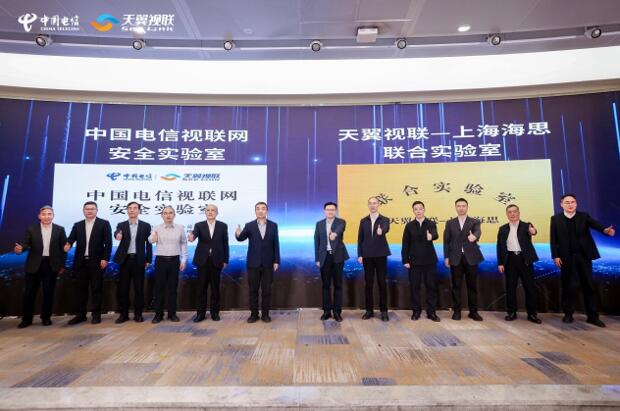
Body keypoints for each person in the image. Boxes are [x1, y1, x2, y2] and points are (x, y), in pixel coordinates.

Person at [550, 193, 615, 327]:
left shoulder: (584, 216)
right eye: (567, 202)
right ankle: (568, 314)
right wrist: (555, 256)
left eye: (572, 202)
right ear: (561, 204)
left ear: (576, 203)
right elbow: (553, 239)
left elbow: (596, 225)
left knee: (588, 286)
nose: (570, 205)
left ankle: (592, 316)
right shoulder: (555, 219)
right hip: (565, 258)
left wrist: (605, 230)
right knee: (568, 287)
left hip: (583, 256)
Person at [14, 205, 67, 328]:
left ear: (53, 216)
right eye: (44, 214)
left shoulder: (60, 229)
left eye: (49, 214)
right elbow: (26, 244)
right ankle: (27, 319)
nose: (46, 216)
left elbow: (63, 249)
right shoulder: (32, 229)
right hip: (34, 265)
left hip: (51, 265)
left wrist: (62, 265)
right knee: (29, 293)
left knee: (48, 292)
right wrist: (20, 249)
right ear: (39, 216)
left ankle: (46, 317)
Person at [64, 201, 112, 325]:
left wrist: (105, 258)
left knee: (96, 289)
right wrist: (68, 244)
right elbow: (71, 239)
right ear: (83, 211)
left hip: (97, 262)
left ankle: (96, 315)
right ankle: (81, 315)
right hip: (80, 263)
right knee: (80, 290)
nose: (89, 211)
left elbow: (108, 243)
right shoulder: (78, 225)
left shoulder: (104, 224)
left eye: (92, 209)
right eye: (87, 209)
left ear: (97, 210)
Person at [235, 201, 280, 323]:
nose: (260, 211)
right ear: (255, 211)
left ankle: (265, 315)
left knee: (267, 291)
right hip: (253, 263)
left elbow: (276, 244)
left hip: (268, 263)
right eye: (258, 209)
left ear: (267, 211)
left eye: (263, 208)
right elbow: (241, 238)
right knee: (253, 290)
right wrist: (237, 233)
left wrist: (276, 261)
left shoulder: (273, 225)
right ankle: (254, 314)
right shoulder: (249, 225)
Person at [496, 204, 541, 324]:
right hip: (510, 259)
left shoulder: (526, 226)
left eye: (514, 211)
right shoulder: (503, 228)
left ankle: (532, 314)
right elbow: (500, 246)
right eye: (509, 212)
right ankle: (511, 312)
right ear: (507, 214)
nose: (512, 214)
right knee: (510, 287)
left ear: (518, 212)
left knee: (529, 287)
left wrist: (533, 231)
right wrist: (500, 263)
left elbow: (533, 232)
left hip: (524, 259)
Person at [443, 198, 484, 321]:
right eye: (459, 206)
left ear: (467, 207)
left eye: (463, 206)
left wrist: (474, 236)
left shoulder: (474, 221)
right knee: (456, 286)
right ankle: (457, 312)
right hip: (455, 258)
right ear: (455, 207)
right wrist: (446, 257)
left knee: (472, 286)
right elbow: (446, 241)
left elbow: (478, 231)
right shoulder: (450, 223)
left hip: (471, 257)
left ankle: (473, 312)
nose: (461, 208)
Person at [188, 204, 229, 322]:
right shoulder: (199, 225)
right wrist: (191, 237)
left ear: (217, 213)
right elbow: (194, 235)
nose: (210, 212)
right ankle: (200, 314)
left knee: (215, 289)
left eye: (213, 210)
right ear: (205, 213)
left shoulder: (223, 226)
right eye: (208, 210)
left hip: (217, 260)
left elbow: (225, 243)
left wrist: (225, 260)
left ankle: (215, 313)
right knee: (201, 288)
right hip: (202, 261)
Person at [112, 201, 152, 324]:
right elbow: (117, 233)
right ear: (127, 210)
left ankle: (138, 314)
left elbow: (148, 244)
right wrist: (117, 235)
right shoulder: (121, 225)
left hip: (139, 260)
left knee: (139, 288)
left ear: (139, 210)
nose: (132, 210)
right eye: (129, 208)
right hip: (125, 260)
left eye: (135, 208)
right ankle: (123, 314)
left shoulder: (146, 226)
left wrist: (148, 259)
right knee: (123, 288)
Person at [401, 201, 440, 322]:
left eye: (420, 208)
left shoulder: (431, 223)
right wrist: (405, 259)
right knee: (415, 287)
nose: (418, 211)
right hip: (414, 262)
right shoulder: (409, 226)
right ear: (413, 211)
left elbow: (435, 234)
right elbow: (405, 243)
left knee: (431, 287)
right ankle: (416, 311)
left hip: (429, 261)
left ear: (424, 210)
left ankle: (431, 312)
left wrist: (431, 236)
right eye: (416, 209)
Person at [148, 206, 188, 323]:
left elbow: (183, 243)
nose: (168, 215)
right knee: (159, 288)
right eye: (165, 213)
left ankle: (172, 313)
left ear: (174, 215)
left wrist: (184, 259)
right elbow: (150, 240)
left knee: (172, 288)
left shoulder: (180, 228)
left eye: (170, 213)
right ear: (162, 215)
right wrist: (153, 236)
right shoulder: (156, 228)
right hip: (160, 260)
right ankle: (158, 314)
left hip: (174, 260)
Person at [314, 202, 349, 322]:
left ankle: (337, 312)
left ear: (336, 211)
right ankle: (326, 311)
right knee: (326, 285)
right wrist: (317, 258)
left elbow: (339, 229)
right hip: (324, 257)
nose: (330, 211)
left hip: (337, 257)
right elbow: (316, 241)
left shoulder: (341, 222)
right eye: (328, 209)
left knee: (338, 285)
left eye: (333, 209)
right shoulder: (319, 224)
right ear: (324, 211)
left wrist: (334, 234)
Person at [357, 196, 391, 321]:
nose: (372, 205)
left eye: (375, 203)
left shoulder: (384, 219)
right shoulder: (363, 220)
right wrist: (360, 254)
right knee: (368, 284)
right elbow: (360, 239)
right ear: (368, 205)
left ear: (378, 205)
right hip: (367, 256)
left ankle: (384, 311)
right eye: (370, 203)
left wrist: (382, 231)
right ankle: (369, 310)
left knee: (382, 283)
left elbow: (386, 228)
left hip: (381, 255)